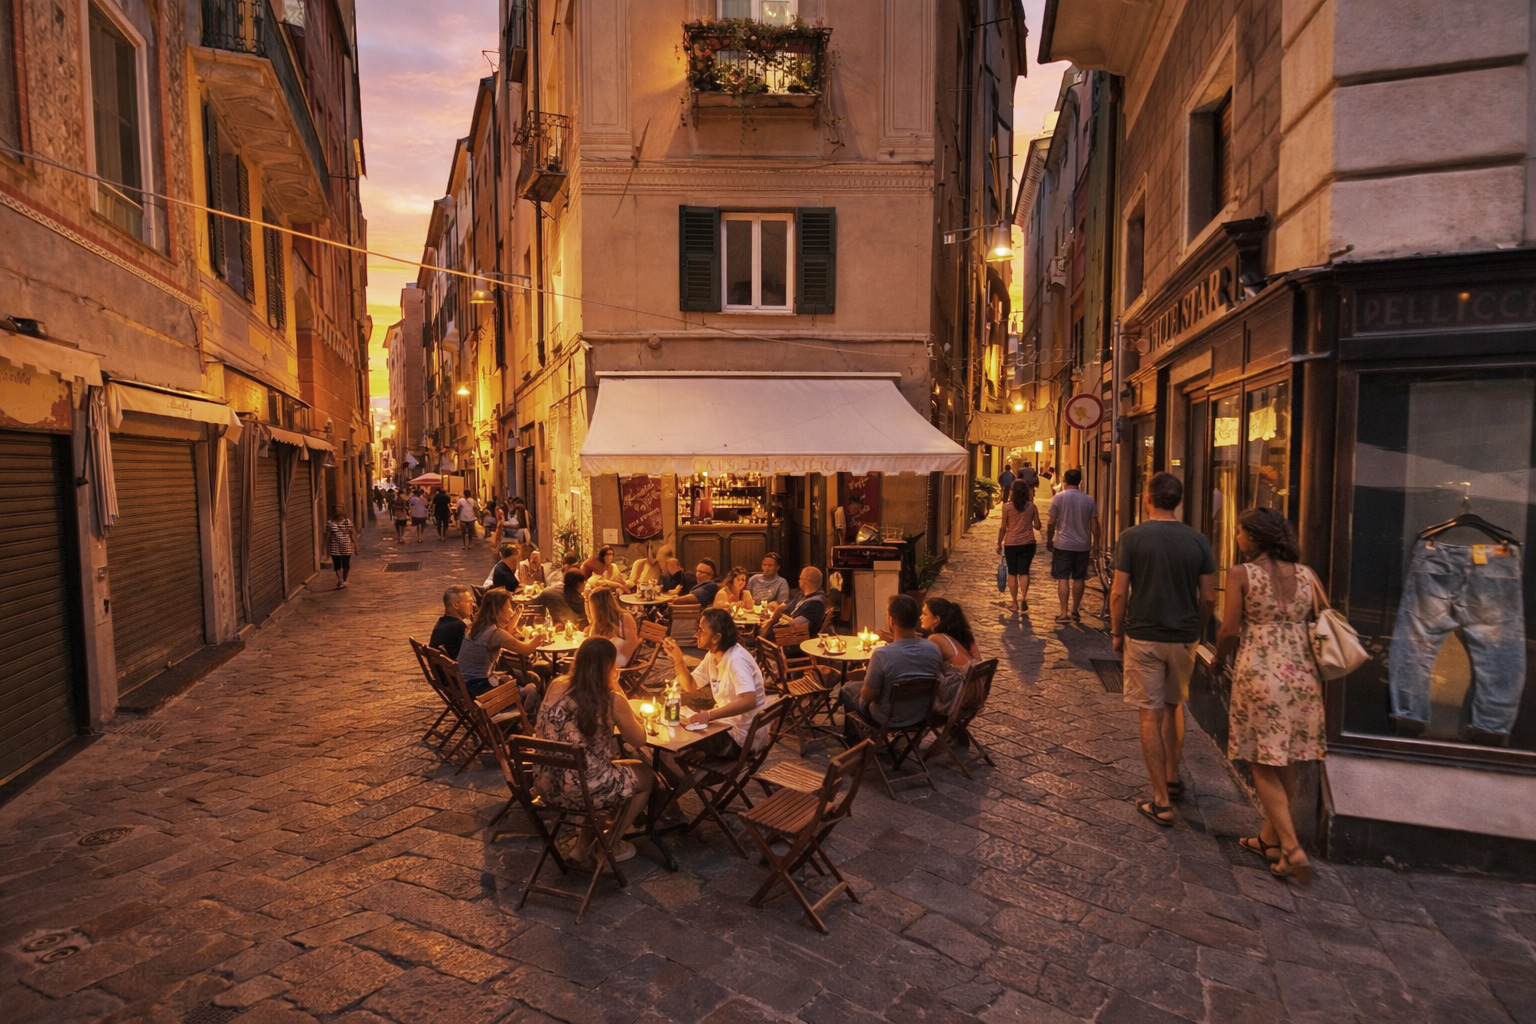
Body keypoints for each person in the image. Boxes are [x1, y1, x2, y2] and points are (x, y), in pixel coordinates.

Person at [1216, 508, 1324, 886]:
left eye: (1240, 532)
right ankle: (1270, 841)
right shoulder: (1308, 574)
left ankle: (1292, 848)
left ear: (1254, 537)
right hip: (1303, 676)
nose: (1237, 538)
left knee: (1261, 762)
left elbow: (1229, 629)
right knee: (1287, 759)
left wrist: (1216, 660)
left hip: (1260, 673)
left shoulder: (1241, 574)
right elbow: (1325, 616)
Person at [1110, 472, 1216, 828]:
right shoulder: (1199, 541)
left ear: (1147, 498)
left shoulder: (1132, 538)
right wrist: (1197, 630)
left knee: (1149, 715)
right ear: (1179, 501)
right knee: (1174, 708)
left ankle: (1160, 800)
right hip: (1184, 638)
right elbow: (1210, 597)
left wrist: (1115, 631)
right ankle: (1173, 775)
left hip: (1144, 635)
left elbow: (1119, 591)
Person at [532, 637, 653, 867]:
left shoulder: (557, 684)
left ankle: (580, 848)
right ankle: (610, 843)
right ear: (610, 666)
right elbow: (639, 738)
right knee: (644, 776)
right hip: (582, 789)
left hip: (546, 783)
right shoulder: (611, 699)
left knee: (602, 769)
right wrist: (616, 688)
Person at [660, 608, 767, 758]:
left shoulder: (736, 660)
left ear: (716, 637)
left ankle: (688, 779)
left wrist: (709, 715)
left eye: (701, 631)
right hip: (726, 726)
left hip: (741, 738)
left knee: (674, 745)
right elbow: (690, 685)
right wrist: (678, 659)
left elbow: (749, 700)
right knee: (676, 728)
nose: (695, 634)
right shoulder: (713, 655)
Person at [840, 595, 945, 742]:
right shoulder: (933, 649)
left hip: (887, 718)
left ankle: (855, 743)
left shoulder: (882, 654)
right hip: (920, 715)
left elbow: (868, 696)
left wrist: (867, 679)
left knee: (847, 689)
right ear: (916, 620)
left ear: (891, 620)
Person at [455, 589, 543, 718]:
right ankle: (525, 721)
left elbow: (505, 633)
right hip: (481, 691)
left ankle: (521, 718)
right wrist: (541, 635)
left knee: (513, 677)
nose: (511, 611)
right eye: (508, 607)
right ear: (498, 610)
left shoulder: (478, 627)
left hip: (467, 684)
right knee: (532, 687)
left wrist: (516, 616)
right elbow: (527, 650)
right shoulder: (494, 634)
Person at [1046, 468, 1102, 623]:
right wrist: (1096, 543)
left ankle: (1063, 613)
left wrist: (1049, 540)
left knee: (1062, 577)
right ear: (1080, 481)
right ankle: (1075, 610)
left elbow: (1051, 523)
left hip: (1063, 544)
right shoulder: (1088, 499)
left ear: (1064, 480)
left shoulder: (1058, 498)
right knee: (1079, 577)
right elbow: (1095, 524)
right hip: (1083, 545)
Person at [996, 479, 1041, 613]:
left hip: (1011, 543)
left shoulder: (1007, 507)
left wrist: (999, 543)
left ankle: (1014, 603)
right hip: (1028, 543)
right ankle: (1024, 598)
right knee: (1024, 571)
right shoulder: (1032, 507)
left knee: (1012, 573)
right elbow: (1038, 526)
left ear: (1012, 492)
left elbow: (1003, 527)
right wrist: (1030, 523)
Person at [764, 566, 829, 635]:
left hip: (792, 637)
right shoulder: (801, 595)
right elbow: (788, 608)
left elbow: (797, 625)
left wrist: (778, 615)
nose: (799, 581)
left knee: (759, 633)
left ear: (806, 580)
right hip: (784, 631)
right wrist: (778, 607)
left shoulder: (815, 604)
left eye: (800, 578)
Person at [585, 586, 640, 667]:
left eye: (591, 605)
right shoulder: (598, 622)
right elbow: (589, 616)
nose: (592, 609)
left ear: (599, 606)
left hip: (617, 661)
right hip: (603, 661)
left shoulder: (624, 618)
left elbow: (632, 643)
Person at [430, 585, 475, 659]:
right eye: (468, 602)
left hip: (443, 668)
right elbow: (468, 655)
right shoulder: (458, 626)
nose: (472, 605)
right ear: (456, 605)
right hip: (453, 669)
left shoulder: (441, 623)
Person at [325, 504, 357, 589]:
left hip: (346, 546)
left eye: (339, 511)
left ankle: (344, 578)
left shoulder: (348, 522)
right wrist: (324, 547)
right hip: (334, 547)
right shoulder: (330, 522)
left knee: (346, 565)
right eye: (336, 511)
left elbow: (352, 535)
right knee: (337, 565)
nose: (338, 513)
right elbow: (327, 535)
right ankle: (340, 579)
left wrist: (355, 546)